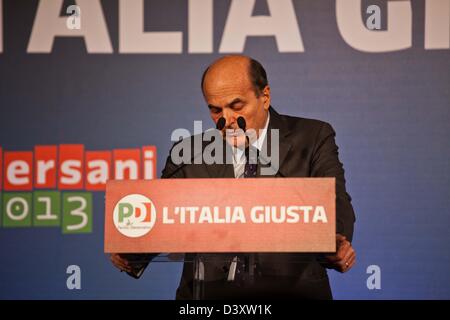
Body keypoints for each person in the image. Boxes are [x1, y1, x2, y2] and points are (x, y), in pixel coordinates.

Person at [110, 55, 356, 299]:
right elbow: (161, 219)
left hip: (290, 292)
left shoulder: (311, 138)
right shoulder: (188, 154)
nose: (226, 120)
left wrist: (334, 240)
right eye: (215, 110)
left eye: (236, 106)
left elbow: (335, 200)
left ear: (265, 97)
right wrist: (134, 248)